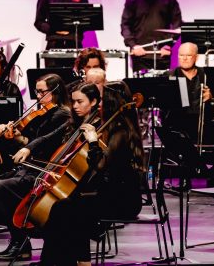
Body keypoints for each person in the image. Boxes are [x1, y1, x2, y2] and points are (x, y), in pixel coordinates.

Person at [31, 81, 144, 265]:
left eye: (102, 100)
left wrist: (92, 142)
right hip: (109, 193)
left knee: (68, 208)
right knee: (64, 207)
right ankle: (61, 261)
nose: (99, 104)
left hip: (123, 200)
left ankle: (70, 261)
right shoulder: (112, 127)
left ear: (110, 102)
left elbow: (100, 166)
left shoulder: (121, 130)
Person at [0, 73, 72, 261]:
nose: (38, 97)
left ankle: (22, 240)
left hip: (45, 171)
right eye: (36, 92)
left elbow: (45, 141)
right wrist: (10, 133)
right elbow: (28, 140)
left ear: (54, 91)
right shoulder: (43, 113)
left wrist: (25, 144)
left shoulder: (62, 114)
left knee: (1, 188)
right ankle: (19, 241)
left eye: (41, 92)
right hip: (31, 167)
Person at [163, 42, 214, 186]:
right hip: (179, 122)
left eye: (188, 55)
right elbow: (163, 107)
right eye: (181, 55)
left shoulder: (206, 75)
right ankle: (187, 176)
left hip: (203, 121)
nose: (184, 58)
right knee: (179, 136)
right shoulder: (171, 75)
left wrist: (211, 97)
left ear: (196, 57)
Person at [121, 0, 182, 73]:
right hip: (140, 55)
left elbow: (177, 24)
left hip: (162, 54)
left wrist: (169, 45)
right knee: (140, 89)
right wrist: (134, 46)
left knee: (162, 88)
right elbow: (125, 25)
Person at [34, 0, 89, 68]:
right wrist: (54, 28)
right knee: (52, 80)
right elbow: (38, 22)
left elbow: (86, 20)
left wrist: (73, 28)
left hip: (74, 44)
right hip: (54, 43)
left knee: (76, 80)